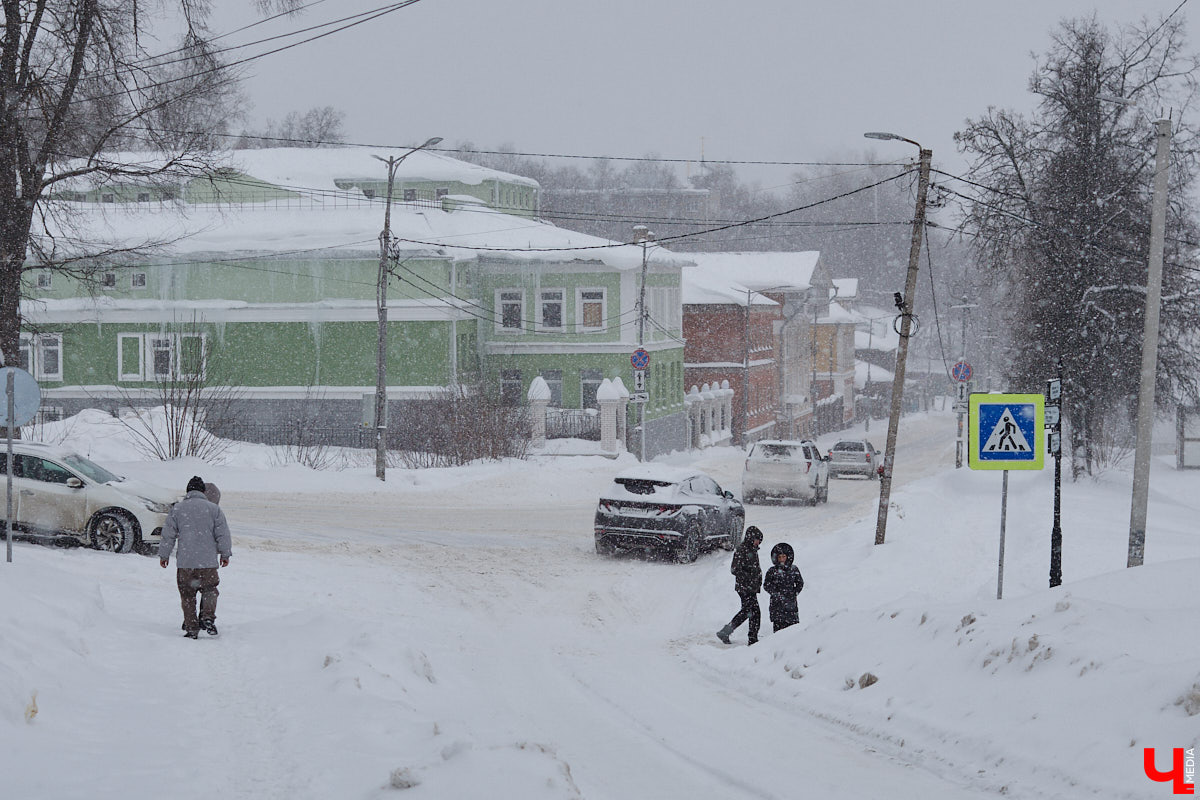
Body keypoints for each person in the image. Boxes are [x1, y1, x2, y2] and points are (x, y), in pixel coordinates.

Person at [160, 475, 232, 639]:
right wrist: (225, 554)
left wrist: (164, 555)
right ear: (203, 491)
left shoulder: (178, 509)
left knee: (187, 595)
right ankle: (207, 617)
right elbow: (223, 534)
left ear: (188, 491)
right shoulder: (214, 509)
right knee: (210, 590)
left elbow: (168, 534)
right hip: (207, 562)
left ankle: (192, 628)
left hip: (186, 562)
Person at [716, 526, 763, 646]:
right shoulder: (742, 550)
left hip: (750, 587)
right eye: (757, 539)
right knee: (753, 612)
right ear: (751, 538)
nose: (758, 542)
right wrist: (750, 578)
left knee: (748, 611)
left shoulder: (752, 550)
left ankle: (727, 632)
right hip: (745, 588)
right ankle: (752, 638)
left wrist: (757, 579)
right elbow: (734, 569)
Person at [763, 542, 804, 632]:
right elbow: (766, 585)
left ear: (788, 556)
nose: (782, 559)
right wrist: (776, 594)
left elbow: (800, 583)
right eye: (779, 557)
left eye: (783, 557)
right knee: (778, 632)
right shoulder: (772, 571)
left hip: (791, 606)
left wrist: (794, 593)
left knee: (793, 631)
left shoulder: (794, 569)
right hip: (777, 606)